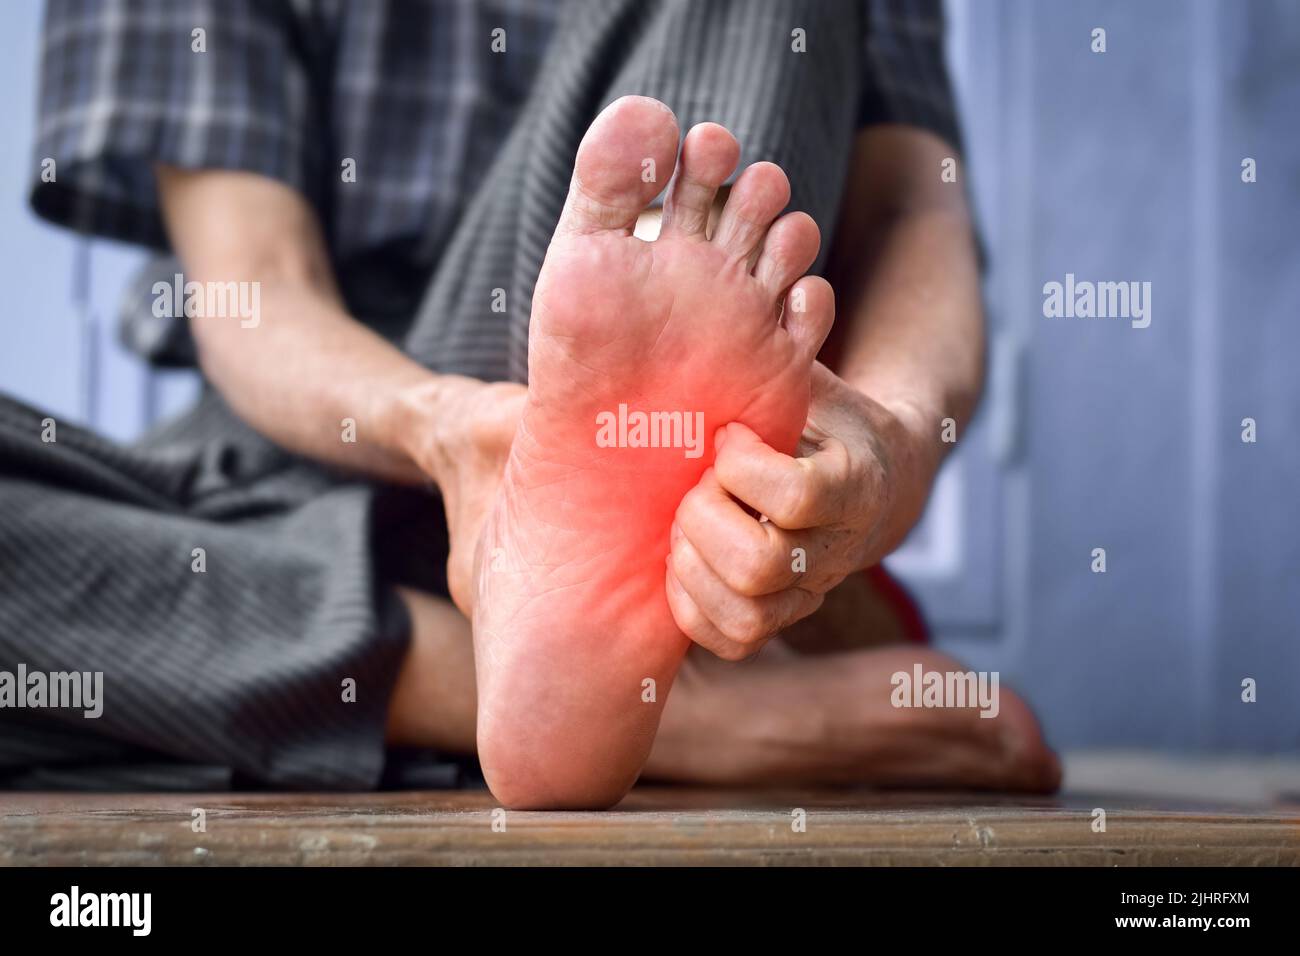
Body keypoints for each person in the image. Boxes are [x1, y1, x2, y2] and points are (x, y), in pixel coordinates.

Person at [1, 0, 1059, 802]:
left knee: (676, 201)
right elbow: (257, 290)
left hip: (652, 458)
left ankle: (543, 622)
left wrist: (887, 442)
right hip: (322, 443)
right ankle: (667, 705)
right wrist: (452, 427)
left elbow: (915, 202)